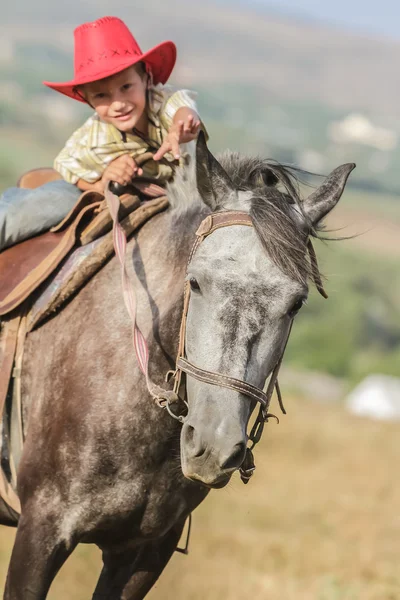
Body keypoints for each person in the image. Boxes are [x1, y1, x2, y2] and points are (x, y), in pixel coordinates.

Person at [0, 16, 203, 252]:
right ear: (88, 101)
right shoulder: (90, 137)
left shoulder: (162, 101)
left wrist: (183, 127)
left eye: (126, 87)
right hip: (94, 188)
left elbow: (183, 108)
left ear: (146, 79)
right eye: (101, 96)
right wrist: (100, 181)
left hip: (178, 193)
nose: (118, 104)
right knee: (45, 205)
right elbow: (65, 166)